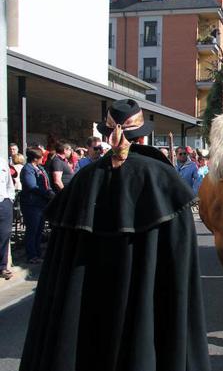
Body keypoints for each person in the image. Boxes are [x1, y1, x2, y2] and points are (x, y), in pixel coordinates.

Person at [20, 99, 211, 371]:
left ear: (106, 134)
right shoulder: (165, 182)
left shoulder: (83, 181)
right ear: (142, 135)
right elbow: (179, 266)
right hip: (147, 311)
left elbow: (59, 268)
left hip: (88, 316)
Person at [19, 148, 54, 264]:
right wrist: (47, 193)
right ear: (35, 158)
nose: (43, 158)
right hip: (32, 204)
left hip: (42, 203)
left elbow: (46, 183)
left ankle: (38, 253)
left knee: (39, 229)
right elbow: (32, 186)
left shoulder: (40, 168)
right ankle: (32, 255)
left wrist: (50, 191)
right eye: (41, 157)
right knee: (32, 230)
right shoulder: (27, 169)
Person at [0, 156, 15, 280]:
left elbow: (9, 183)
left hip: (4, 202)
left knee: (5, 234)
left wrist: (9, 199)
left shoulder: (2, 161)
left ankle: (2, 267)